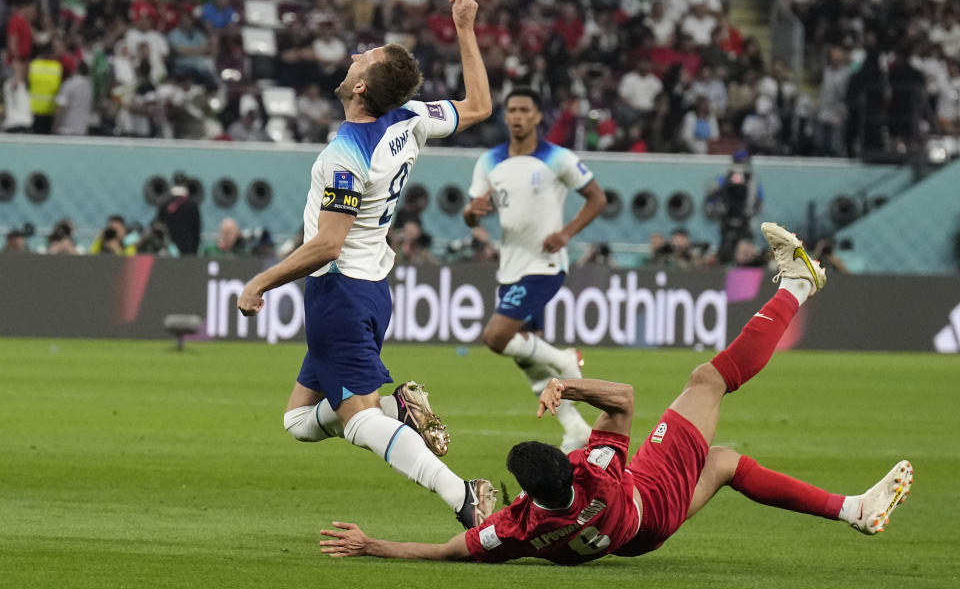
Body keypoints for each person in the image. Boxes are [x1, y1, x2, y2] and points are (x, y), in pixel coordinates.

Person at [318, 223, 913, 563]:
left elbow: (449, 550)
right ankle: (798, 285)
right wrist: (566, 384)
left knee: (727, 462)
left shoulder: (518, 525)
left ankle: (853, 510)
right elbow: (624, 398)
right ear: (569, 467)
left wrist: (373, 545)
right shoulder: (596, 470)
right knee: (708, 379)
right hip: (645, 499)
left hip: (637, 537)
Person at [236, 0, 496, 529]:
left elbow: (329, 244)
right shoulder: (409, 119)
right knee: (299, 421)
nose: (357, 53)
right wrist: (466, 29)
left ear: (359, 87)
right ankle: (400, 410)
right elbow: (479, 107)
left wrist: (261, 280)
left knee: (359, 420)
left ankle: (462, 495)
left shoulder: (345, 158)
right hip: (374, 288)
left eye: (365, 56)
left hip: (340, 293)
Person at [462, 86, 607, 453]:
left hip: (544, 264)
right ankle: (574, 426)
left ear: (538, 117)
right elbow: (471, 211)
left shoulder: (556, 157)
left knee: (496, 338)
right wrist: (471, 213)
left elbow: (597, 197)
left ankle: (564, 359)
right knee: (525, 356)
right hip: (510, 267)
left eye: (525, 110)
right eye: (512, 110)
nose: (517, 116)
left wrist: (566, 233)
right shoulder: (489, 161)